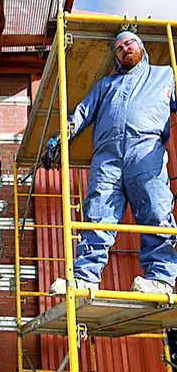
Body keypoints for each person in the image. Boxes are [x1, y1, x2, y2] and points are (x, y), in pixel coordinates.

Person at [42, 31, 177, 295]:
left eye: (129, 43)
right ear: (116, 58)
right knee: (98, 214)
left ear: (141, 47)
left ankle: (160, 278)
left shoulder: (166, 75)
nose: (125, 49)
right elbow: (82, 113)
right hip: (107, 159)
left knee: (155, 212)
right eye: (119, 48)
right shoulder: (106, 85)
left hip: (146, 152)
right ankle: (85, 276)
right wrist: (60, 138)